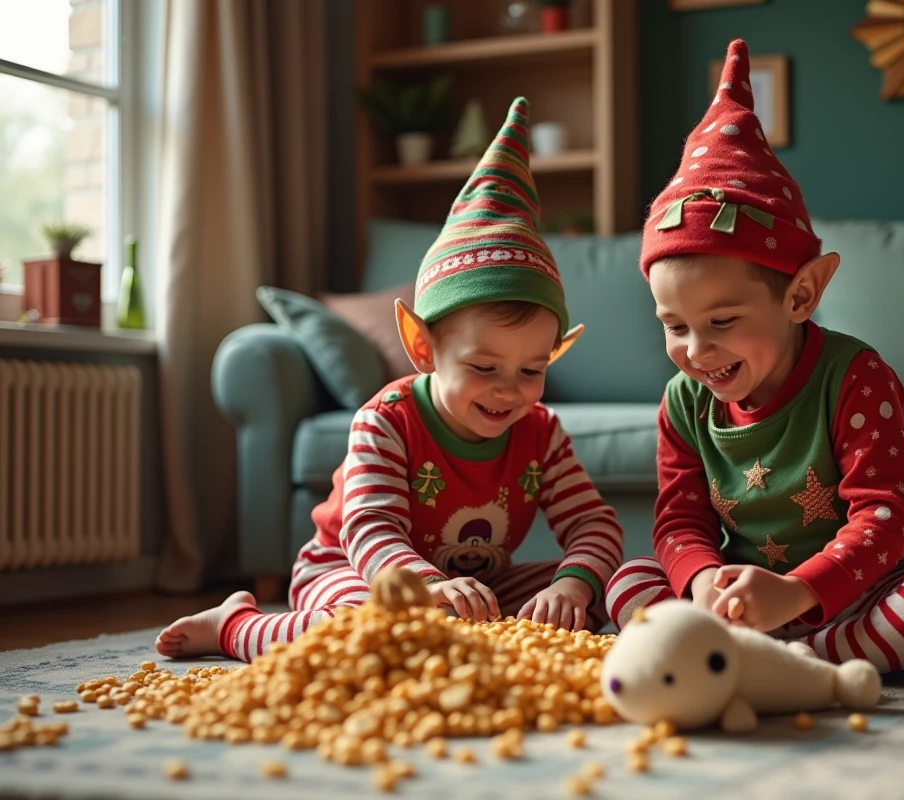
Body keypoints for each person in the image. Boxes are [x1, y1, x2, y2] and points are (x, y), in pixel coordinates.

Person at [157, 98, 623, 662]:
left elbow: (592, 521)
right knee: (373, 632)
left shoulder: (541, 432)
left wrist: (573, 586)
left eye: (532, 370)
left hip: (474, 590)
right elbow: (370, 529)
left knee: (624, 579)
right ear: (424, 349)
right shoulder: (387, 421)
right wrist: (425, 588)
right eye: (484, 368)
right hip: (357, 572)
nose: (510, 390)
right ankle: (235, 624)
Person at [604, 40, 904, 673]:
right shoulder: (683, 401)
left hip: (868, 589)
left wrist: (797, 594)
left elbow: (887, 516)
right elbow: (680, 522)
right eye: (674, 326)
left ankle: (797, 658)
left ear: (801, 294)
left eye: (723, 322)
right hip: (745, 596)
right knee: (630, 581)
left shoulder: (855, 378)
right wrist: (704, 583)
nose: (696, 351)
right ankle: (754, 650)